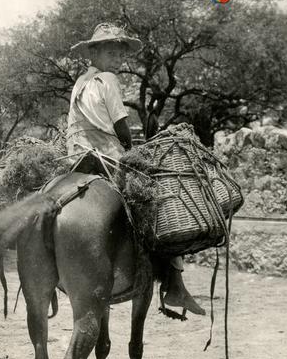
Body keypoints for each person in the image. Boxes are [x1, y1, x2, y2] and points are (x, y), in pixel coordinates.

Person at [68, 22, 204, 315]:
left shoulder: (79, 83)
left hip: (75, 158)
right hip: (106, 155)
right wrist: (132, 149)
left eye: (120, 54)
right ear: (94, 53)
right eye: (110, 52)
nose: (118, 59)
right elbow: (119, 124)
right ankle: (175, 283)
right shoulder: (108, 80)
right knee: (160, 198)